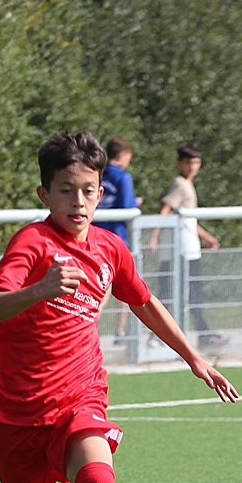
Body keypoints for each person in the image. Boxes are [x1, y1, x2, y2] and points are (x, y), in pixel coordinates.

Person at [0, 131, 239, 483]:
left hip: (81, 397)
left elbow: (143, 301)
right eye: (66, 190)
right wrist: (41, 289)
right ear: (44, 194)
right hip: (18, 413)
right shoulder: (33, 243)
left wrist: (194, 358)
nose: (78, 202)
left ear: (101, 193)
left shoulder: (109, 247)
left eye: (88, 191)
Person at [151, 144, 223, 349]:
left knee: (190, 292)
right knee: (172, 293)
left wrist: (206, 237)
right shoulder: (180, 183)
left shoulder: (187, 184)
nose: (193, 167)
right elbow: (166, 209)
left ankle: (203, 333)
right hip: (180, 251)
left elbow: (188, 219)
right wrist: (154, 235)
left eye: (196, 162)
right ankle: (157, 336)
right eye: (189, 162)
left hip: (188, 248)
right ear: (179, 164)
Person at [93, 137, 141, 342]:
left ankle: (92, 326)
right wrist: (136, 202)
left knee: (95, 286)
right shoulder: (122, 177)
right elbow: (128, 207)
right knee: (119, 285)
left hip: (92, 237)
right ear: (122, 155)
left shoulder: (96, 174)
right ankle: (118, 331)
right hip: (115, 240)